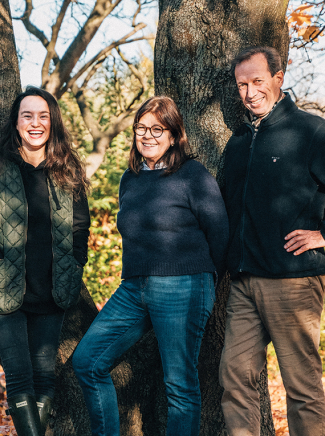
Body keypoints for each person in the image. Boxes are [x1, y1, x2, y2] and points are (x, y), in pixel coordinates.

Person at [218, 46, 325, 436]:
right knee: (234, 379)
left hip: (293, 281)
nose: (250, 92)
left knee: (301, 387)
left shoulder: (309, 131)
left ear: (279, 78)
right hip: (242, 282)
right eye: (242, 84)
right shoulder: (238, 141)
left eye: (258, 81)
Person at [72, 96, 228, 436]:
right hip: (134, 287)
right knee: (88, 361)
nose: (148, 135)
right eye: (141, 128)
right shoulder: (131, 178)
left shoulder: (193, 175)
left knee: (179, 386)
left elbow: (219, 233)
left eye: (157, 129)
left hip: (183, 285)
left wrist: (200, 279)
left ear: (174, 135)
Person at [0, 87, 90, 436]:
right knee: (19, 375)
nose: (36, 123)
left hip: (52, 290)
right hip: (4, 290)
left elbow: (80, 226)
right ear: (16, 123)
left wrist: (75, 262)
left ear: (53, 122)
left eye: (43, 116)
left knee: (45, 375)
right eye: (27, 116)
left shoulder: (67, 169)